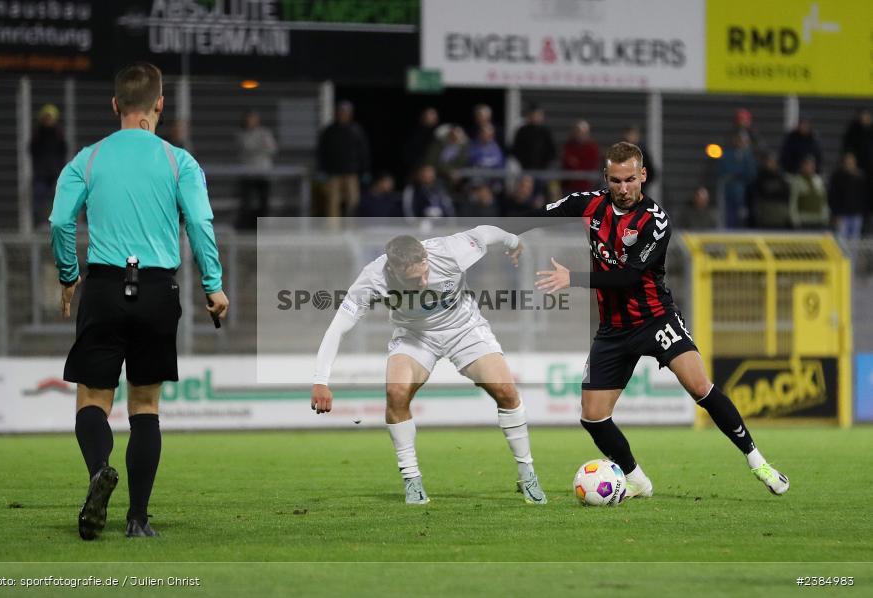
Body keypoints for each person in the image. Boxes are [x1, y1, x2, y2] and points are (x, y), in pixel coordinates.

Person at [512, 142, 789, 498]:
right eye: (616, 180)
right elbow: (542, 213)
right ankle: (637, 480)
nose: (623, 188)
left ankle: (758, 461)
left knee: (699, 387)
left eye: (630, 179)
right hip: (613, 329)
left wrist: (574, 278)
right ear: (606, 177)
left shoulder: (655, 220)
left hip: (656, 319)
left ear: (643, 175)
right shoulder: (591, 203)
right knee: (592, 416)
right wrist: (509, 236)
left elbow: (628, 276)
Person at [49, 62, 230, 540]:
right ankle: (138, 519)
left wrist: (69, 274)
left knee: (92, 398)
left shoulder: (86, 160)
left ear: (115, 106)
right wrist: (213, 285)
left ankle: (98, 471)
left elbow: (60, 222)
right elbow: (200, 224)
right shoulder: (179, 162)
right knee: (145, 405)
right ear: (160, 104)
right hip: (157, 290)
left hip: (105, 286)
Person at [310, 227, 546, 505]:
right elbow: (337, 328)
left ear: (426, 257)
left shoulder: (450, 251)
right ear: (394, 271)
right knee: (396, 394)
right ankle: (412, 481)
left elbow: (486, 232)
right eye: (413, 278)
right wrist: (320, 380)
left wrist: (514, 242)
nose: (423, 281)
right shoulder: (373, 278)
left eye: (425, 272)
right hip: (414, 337)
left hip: (464, 330)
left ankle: (526, 472)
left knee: (506, 392)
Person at [317, 100, 370, 228]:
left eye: (345, 112)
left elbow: (363, 151)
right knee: (333, 201)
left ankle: (351, 227)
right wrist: (322, 169)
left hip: (352, 172)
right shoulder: (330, 130)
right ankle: (333, 228)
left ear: (350, 114)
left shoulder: (356, 130)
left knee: (353, 201)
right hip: (334, 172)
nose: (343, 114)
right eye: (341, 112)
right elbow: (322, 151)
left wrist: (365, 170)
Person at [235, 110, 277, 229]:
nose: (250, 121)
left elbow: (272, 149)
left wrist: (258, 149)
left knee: (264, 201)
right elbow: (245, 148)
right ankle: (246, 226)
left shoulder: (265, 133)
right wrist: (259, 148)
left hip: (263, 173)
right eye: (248, 119)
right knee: (246, 201)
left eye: (253, 119)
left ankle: (263, 227)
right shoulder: (241, 134)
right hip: (247, 174)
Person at [29, 103, 68, 227]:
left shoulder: (58, 134)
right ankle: (38, 223)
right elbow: (32, 149)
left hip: (55, 171)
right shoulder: (38, 134)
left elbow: (63, 150)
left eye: (50, 118)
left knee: (58, 198)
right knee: (39, 198)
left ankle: (57, 223)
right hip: (41, 172)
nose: (48, 121)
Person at [719, 131, 757, 228]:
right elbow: (725, 171)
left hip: (745, 195)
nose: (742, 143)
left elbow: (751, 173)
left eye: (745, 141)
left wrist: (737, 174)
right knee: (729, 219)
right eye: (740, 140)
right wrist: (739, 173)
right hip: (729, 192)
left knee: (743, 219)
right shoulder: (727, 155)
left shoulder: (749, 157)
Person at [745, 152, 792, 229]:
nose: (771, 164)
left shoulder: (782, 180)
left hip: (781, 219)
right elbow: (754, 200)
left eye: (773, 161)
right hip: (765, 220)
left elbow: (787, 196)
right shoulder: (757, 181)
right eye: (768, 161)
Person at [828, 152, 867, 239]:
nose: (849, 162)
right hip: (842, 215)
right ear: (843, 161)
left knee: (854, 241)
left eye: (851, 160)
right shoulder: (837, 176)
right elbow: (832, 196)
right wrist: (835, 214)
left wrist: (862, 212)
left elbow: (863, 196)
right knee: (842, 242)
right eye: (847, 160)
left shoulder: (860, 176)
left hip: (856, 215)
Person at [788, 155, 829, 229]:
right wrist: (795, 220)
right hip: (804, 221)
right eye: (807, 164)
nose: (810, 167)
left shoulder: (818, 180)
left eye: (812, 164)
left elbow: (823, 201)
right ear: (802, 166)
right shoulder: (797, 181)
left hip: (819, 221)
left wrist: (825, 217)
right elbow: (793, 202)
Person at [511, 104, 556, 171]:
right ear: (529, 115)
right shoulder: (522, 131)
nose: (535, 117)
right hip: (526, 169)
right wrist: (523, 163)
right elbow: (516, 149)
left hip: (542, 170)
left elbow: (551, 150)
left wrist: (545, 164)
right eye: (533, 115)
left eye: (538, 115)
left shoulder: (545, 131)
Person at [561, 120, 601, 193]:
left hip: (586, 186)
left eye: (583, 133)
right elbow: (567, 162)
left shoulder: (592, 148)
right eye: (578, 132)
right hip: (569, 185)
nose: (581, 135)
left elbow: (592, 165)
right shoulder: (569, 145)